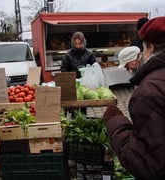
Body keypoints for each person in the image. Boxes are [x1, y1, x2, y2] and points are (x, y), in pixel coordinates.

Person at [103, 16, 165, 179]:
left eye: (143, 48)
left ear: (150, 48)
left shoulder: (150, 92)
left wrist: (116, 123)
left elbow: (145, 163)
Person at [61, 31, 96, 116]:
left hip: (86, 85)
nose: (78, 46)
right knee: (74, 107)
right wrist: (69, 80)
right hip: (73, 85)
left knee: (84, 105)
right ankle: (74, 118)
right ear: (73, 43)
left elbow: (95, 67)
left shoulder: (89, 54)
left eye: (80, 43)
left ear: (84, 43)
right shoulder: (68, 55)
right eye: (76, 44)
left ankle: (83, 118)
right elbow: (63, 69)